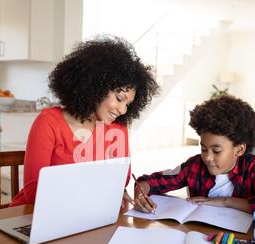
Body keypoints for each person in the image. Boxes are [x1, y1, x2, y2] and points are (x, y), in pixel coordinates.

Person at [10, 36, 159, 207]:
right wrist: (101, 191)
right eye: (119, 98)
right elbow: (34, 193)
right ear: (96, 87)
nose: (123, 110)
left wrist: (122, 193)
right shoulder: (49, 123)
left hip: (89, 214)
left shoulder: (117, 127)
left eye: (128, 104)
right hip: (34, 216)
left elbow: (120, 181)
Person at [133, 95, 255, 213]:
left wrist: (226, 201)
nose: (207, 157)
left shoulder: (254, 168)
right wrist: (141, 196)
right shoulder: (194, 166)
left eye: (217, 150)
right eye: (203, 148)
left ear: (239, 150)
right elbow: (149, 182)